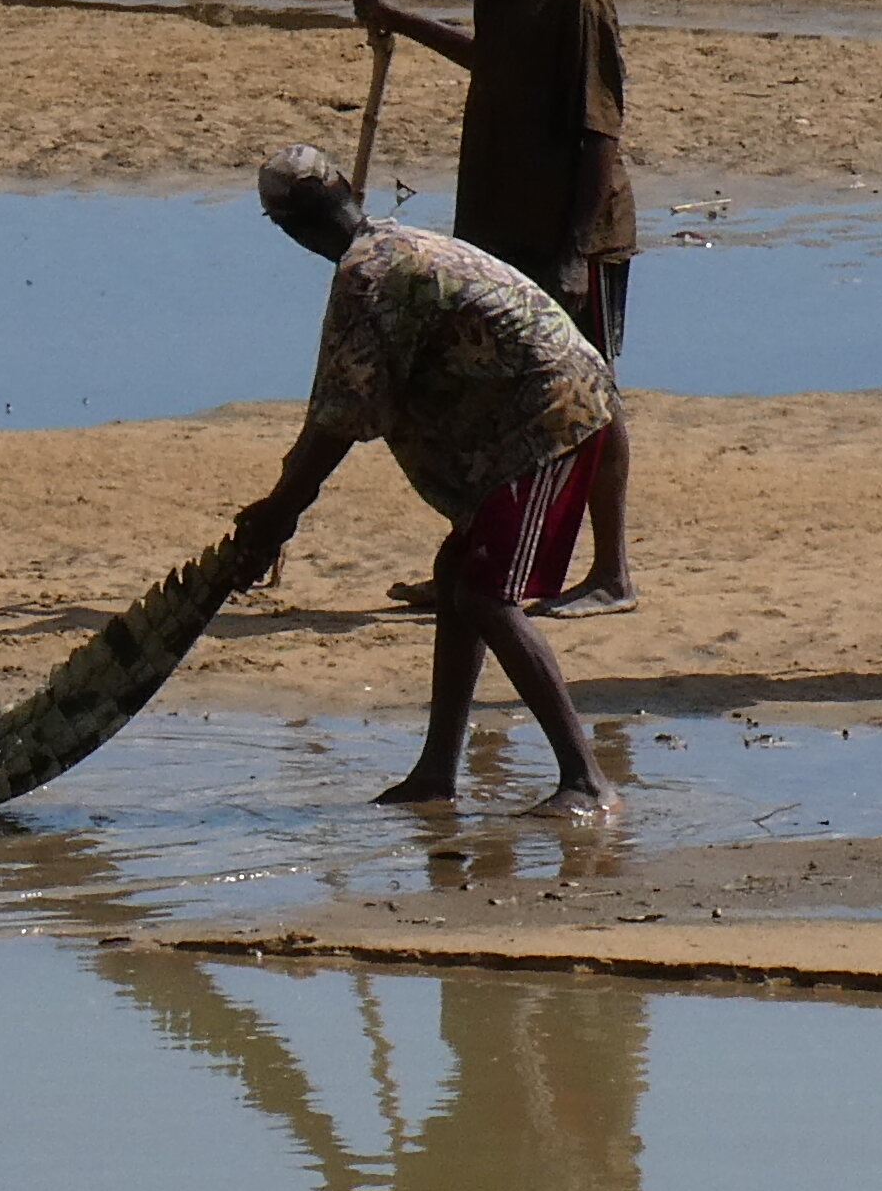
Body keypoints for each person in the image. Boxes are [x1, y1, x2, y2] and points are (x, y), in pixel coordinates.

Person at [231, 143, 620, 817]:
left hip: (552, 415)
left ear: (288, 230)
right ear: (349, 192)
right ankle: (436, 772)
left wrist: (278, 514)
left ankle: (586, 780)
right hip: (521, 418)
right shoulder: (391, 246)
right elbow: (336, 408)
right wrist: (280, 503)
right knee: (455, 579)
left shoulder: (367, 278)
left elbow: (339, 422)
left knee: (486, 592)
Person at [349, 0, 637, 613]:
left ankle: (611, 572)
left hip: (574, 235)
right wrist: (398, 19)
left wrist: (576, 255)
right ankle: (482, 564)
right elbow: (493, 61)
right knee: (495, 396)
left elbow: (599, 133)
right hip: (499, 228)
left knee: (594, 397)